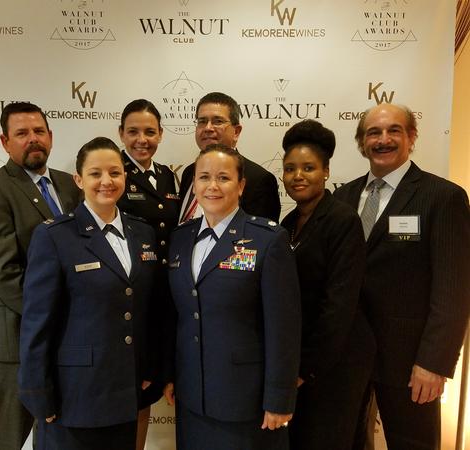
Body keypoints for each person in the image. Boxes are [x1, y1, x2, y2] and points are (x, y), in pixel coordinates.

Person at [334, 103, 470, 450]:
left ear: (412, 137)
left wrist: (433, 362)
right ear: (362, 143)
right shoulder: (343, 197)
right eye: (373, 133)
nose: (383, 139)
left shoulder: (443, 197)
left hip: (411, 363)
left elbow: (453, 290)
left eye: (394, 130)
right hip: (348, 358)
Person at [18, 137, 159, 450]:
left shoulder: (143, 232)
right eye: (96, 174)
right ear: (79, 180)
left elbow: (147, 311)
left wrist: (151, 369)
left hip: (125, 391)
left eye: (115, 173)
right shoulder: (55, 236)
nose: (106, 181)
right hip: (75, 395)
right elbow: (37, 323)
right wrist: (38, 393)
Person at [164, 144, 301, 450]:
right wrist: (171, 375)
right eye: (204, 177)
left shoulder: (267, 240)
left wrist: (279, 397)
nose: (212, 186)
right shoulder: (180, 238)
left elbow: (284, 328)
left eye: (223, 178)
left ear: (240, 186)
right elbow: (178, 316)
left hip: (245, 400)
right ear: (194, 185)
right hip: (192, 395)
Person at [0, 101, 80, 449]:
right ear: (4, 142)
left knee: (60, 434)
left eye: (38, 131)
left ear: (50, 136)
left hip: (68, 340)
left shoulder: (69, 185)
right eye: (21, 133)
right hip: (17, 339)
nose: (32, 139)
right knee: (9, 440)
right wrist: (55, 313)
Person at [279, 119, 375, 450]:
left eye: (308, 167)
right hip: (303, 359)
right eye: (290, 169)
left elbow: (339, 305)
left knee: (327, 439)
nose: (298, 176)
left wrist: (308, 368)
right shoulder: (288, 223)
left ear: (326, 172)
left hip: (338, 360)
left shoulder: (342, 219)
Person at [116, 99, 180, 449]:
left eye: (150, 132)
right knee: (125, 390)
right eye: (134, 132)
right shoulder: (114, 172)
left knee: (146, 392)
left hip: (162, 295)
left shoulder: (169, 176)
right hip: (130, 295)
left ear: (161, 134)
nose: (142, 139)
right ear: (121, 134)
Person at [178, 92, 281, 223]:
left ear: (236, 132)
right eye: (202, 121)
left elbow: (263, 239)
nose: (208, 128)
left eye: (218, 121)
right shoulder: (189, 172)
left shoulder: (259, 180)